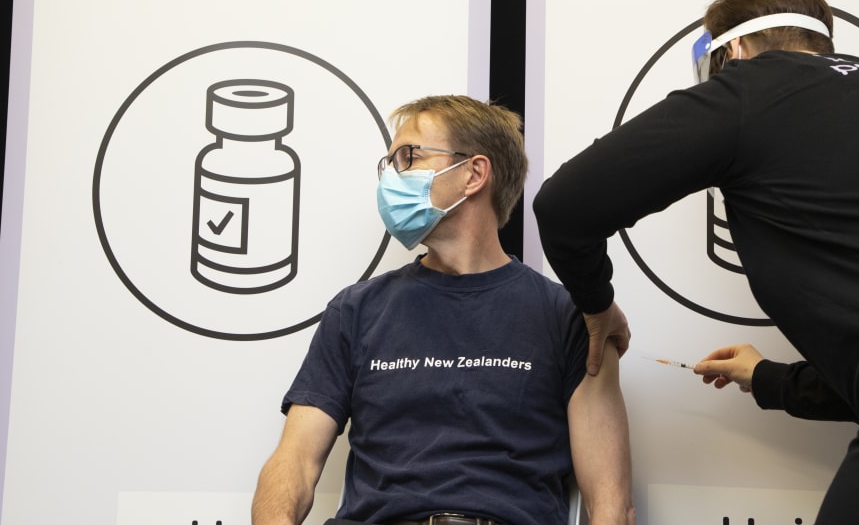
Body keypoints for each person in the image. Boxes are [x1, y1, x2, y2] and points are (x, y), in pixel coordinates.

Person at [532, 0, 859, 523]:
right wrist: (772, 379)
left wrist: (596, 305)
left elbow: (563, 205)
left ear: (737, 47)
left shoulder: (754, 87)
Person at [252, 95, 635, 525]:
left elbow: (610, 504)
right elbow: (296, 461)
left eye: (408, 157)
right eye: (390, 162)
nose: (391, 177)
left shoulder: (570, 317)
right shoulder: (355, 311)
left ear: (473, 173)